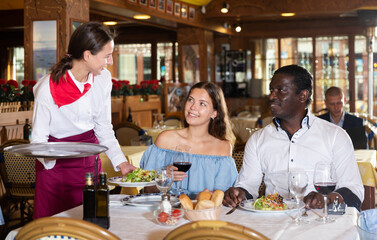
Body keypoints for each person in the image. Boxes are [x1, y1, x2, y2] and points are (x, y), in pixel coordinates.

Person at [223, 65, 364, 211]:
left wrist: (326, 199)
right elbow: (247, 186)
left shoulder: (335, 136)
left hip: (321, 223)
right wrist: (238, 194)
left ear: (302, 95)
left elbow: (355, 193)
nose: (272, 96)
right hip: (272, 224)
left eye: (281, 90)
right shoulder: (258, 139)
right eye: (271, 90)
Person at [31, 22, 135, 218]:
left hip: (88, 166)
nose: (110, 61)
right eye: (106, 56)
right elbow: (38, 140)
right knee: (52, 230)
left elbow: (103, 127)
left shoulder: (103, 79)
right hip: (55, 170)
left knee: (88, 226)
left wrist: (121, 163)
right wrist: (53, 166)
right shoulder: (47, 87)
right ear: (87, 55)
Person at [140, 82, 238, 198]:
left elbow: (223, 197)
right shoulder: (165, 139)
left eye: (202, 104)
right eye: (191, 100)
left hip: (204, 214)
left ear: (214, 113)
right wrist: (163, 179)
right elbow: (146, 189)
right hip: (167, 211)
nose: (192, 107)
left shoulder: (223, 147)